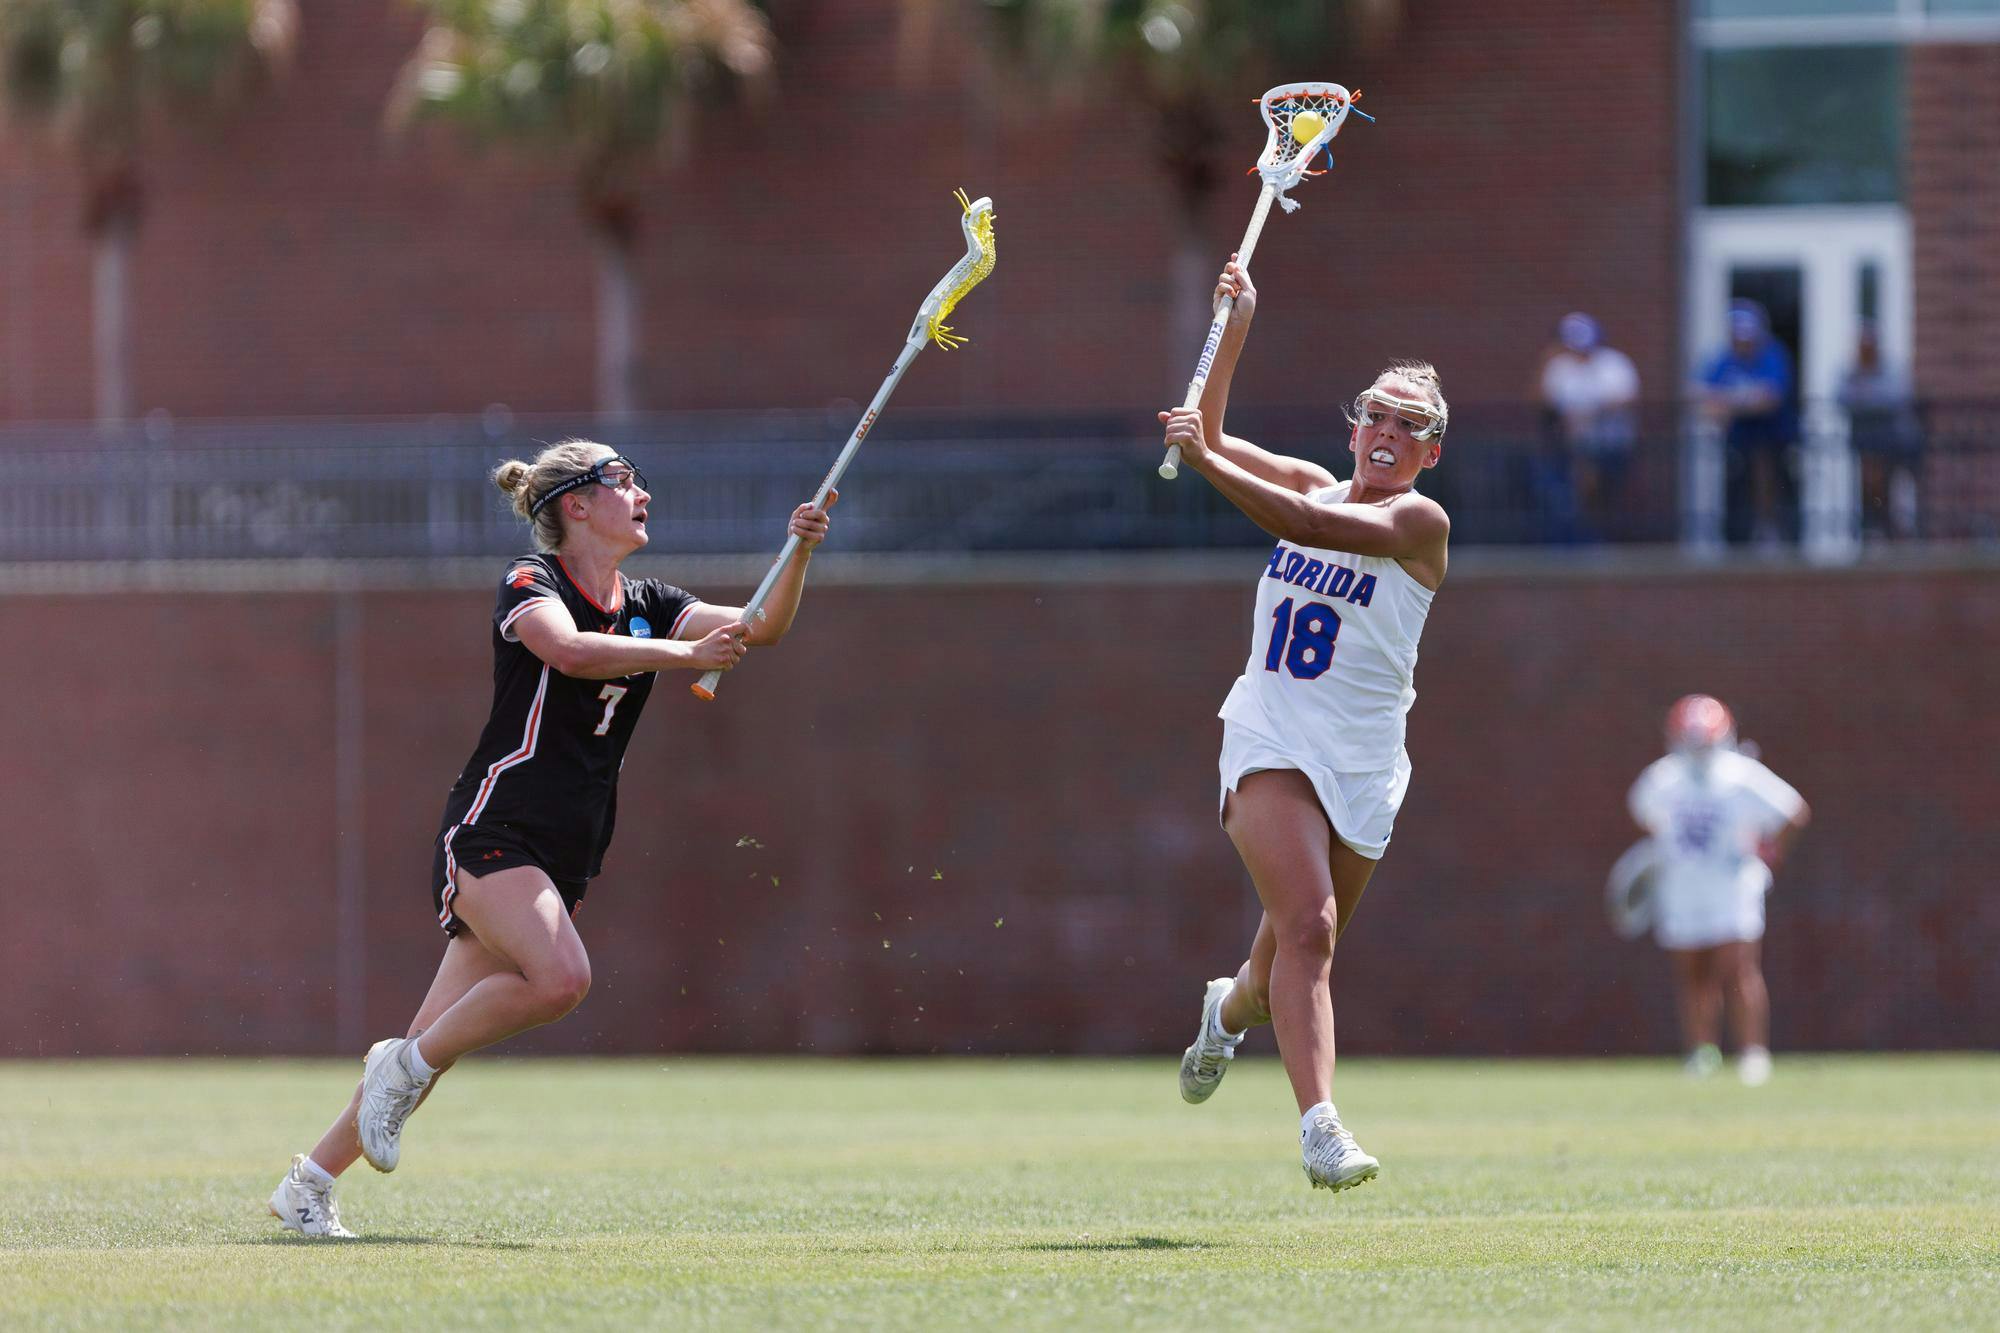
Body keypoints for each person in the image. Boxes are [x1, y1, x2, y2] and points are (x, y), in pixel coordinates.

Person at [268, 440, 834, 1238]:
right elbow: (567, 650)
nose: (641, 490)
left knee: (429, 1051)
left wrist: (799, 550)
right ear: (575, 502)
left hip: (565, 853)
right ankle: (398, 1061)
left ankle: (308, 1183)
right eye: (622, 478)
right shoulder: (530, 581)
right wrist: (684, 654)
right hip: (495, 828)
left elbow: (759, 626)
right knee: (561, 978)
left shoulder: (651, 599)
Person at [1160, 256, 1449, 1194]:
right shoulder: (1311, 482)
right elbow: (1206, 432)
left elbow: (1305, 527)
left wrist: (1206, 464)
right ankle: (1321, 1127)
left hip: (1366, 764)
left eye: (1412, 425)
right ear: (1355, 424)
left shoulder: (1419, 521)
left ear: (1429, 451)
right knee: (1312, 928)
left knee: (1277, 959)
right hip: (1270, 736)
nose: (1388, 432)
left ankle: (1223, 1014)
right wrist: (1237, 319)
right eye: (1375, 413)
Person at [1627, 694, 1810, 1086]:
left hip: (1732, 885)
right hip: (1684, 888)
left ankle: (1752, 1055)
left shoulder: (1741, 775)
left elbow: (1794, 812)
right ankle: (1702, 1053)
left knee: (1738, 969)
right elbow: (1646, 816)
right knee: (1694, 974)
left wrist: (1768, 851)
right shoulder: (1662, 778)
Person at [1698, 300, 1800, 546]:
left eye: (1748, 337)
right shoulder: (1723, 359)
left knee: (1768, 476)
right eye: (1738, 337)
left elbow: (1771, 399)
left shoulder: (1772, 354)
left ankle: (1772, 530)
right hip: (1737, 439)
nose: (1743, 344)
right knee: (1736, 487)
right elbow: (1700, 399)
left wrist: (1729, 402)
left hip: (1772, 437)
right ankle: (1737, 537)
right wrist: (1745, 401)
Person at [1538, 311, 1640, 541]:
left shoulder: (1614, 363)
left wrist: (1592, 412)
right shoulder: (1558, 366)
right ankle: (1578, 538)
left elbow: (1625, 399)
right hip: (1573, 446)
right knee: (1568, 492)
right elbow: (1546, 402)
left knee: (1605, 496)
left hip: (1612, 445)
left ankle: (1602, 537)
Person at [1836, 322, 1922, 540]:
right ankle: (1875, 526)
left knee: (1891, 484)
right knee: (1869, 482)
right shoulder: (1850, 371)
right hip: (1864, 437)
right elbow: (1842, 397)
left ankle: (1894, 528)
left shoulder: (1890, 369)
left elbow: (1896, 397)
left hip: (1890, 437)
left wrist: (1867, 397)